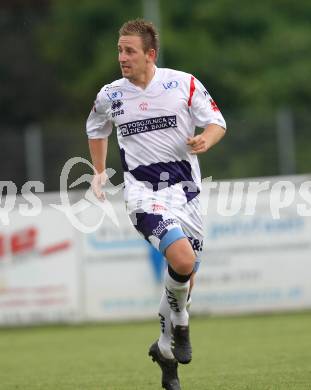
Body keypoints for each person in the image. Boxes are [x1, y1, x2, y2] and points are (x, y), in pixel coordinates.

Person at [86, 18, 226, 390]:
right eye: (119, 50)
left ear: (150, 54)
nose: (122, 57)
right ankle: (180, 326)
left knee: (185, 279)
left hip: (186, 192)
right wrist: (99, 172)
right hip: (143, 193)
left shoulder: (183, 83)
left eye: (129, 51)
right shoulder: (110, 94)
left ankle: (165, 350)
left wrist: (206, 140)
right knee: (182, 261)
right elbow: (96, 128)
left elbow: (216, 122)